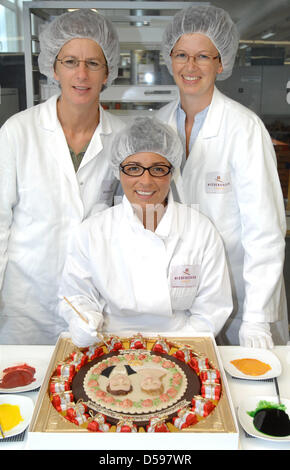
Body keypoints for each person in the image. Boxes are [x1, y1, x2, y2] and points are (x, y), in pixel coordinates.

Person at [156, 5, 288, 348]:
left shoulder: (244, 128)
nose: (191, 66)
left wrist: (257, 316)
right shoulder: (158, 125)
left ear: (221, 62)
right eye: (182, 54)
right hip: (177, 292)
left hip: (240, 294)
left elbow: (265, 230)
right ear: (169, 58)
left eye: (203, 56)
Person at [0, 9, 125, 344]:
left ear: (107, 71)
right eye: (70, 61)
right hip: (27, 305)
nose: (81, 74)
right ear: (53, 68)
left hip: (97, 302)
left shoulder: (124, 140)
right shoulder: (18, 132)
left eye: (93, 63)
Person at [59, 117, 233, 348]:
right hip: (110, 341)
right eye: (133, 169)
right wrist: (83, 319)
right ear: (118, 172)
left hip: (181, 342)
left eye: (158, 169)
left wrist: (172, 351)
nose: (146, 181)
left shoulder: (200, 230)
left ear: (172, 172)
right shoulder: (92, 231)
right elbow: (76, 295)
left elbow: (212, 309)